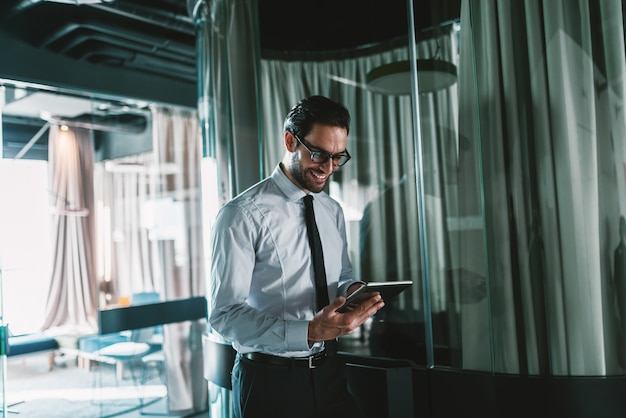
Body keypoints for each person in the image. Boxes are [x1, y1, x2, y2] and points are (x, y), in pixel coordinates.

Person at [209, 95, 384, 418]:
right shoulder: (241, 215)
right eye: (318, 154)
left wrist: (352, 292)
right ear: (291, 141)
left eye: (338, 157)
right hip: (269, 380)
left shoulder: (332, 210)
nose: (328, 168)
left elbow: (341, 275)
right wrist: (306, 332)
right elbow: (224, 315)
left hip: (330, 370)